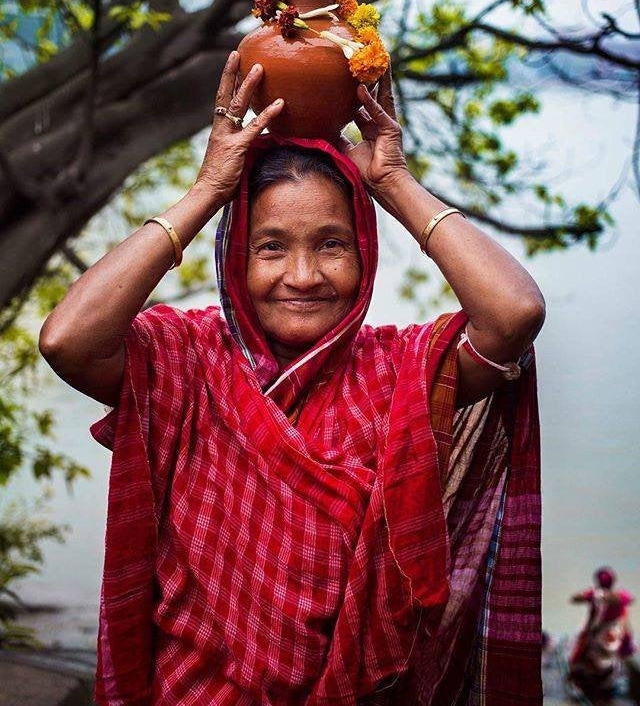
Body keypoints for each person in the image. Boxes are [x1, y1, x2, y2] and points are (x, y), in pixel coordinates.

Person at [39, 51, 545, 706]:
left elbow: (514, 314)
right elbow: (66, 339)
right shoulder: (184, 357)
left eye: (331, 244)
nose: (303, 276)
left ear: (363, 253)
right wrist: (207, 191)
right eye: (272, 246)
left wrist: (392, 181)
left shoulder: (398, 370)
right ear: (234, 257)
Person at [568, 566, 636, 701]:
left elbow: (574, 599)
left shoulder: (598, 594)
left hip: (602, 632)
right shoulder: (617, 595)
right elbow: (630, 599)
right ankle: (602, 683)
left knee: (588, 654)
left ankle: (589, 681)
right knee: (605, 657)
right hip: (609, 632)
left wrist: (594, 594)